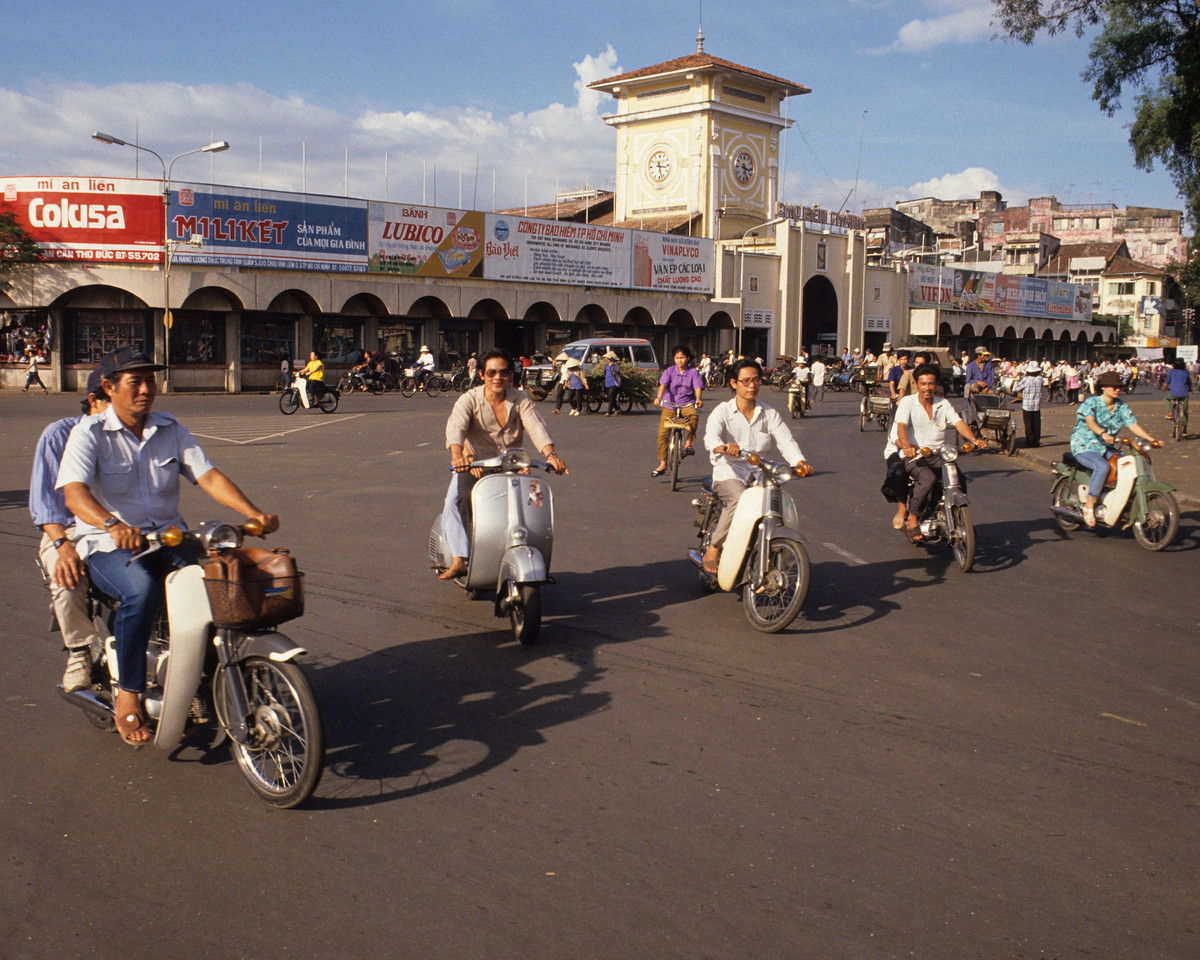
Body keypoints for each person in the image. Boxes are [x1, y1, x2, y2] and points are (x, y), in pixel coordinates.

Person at [57, 346, 278, 746]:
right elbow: (74, 493)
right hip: (108, 544)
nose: (145, 389)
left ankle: (203, 674)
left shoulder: (170, 428)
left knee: (221, 578)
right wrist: (112, 523)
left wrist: (254, 513)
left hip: (169, 536)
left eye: (149, 380)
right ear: (108, 387)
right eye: (134, 381)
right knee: (138, 590)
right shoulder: (88, 433)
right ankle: (129, 692)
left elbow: (207, 476)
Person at [438, 348, 568, 581]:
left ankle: (535, 556)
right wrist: (458, 455)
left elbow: (537, 427)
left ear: (510, 375)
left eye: (503, 372)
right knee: (454, 502)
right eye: (492, 372)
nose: (497, 377)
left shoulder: (521, 400)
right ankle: (460, 558)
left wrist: (550, 454)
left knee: (536, 500)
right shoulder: (469, 399)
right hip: (474, 463)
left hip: (512, 464)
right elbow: (456, 426)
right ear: (481, 374)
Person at [30, 367, 111, 691]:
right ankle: (78, 651)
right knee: (68, 574)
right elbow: (46, 504)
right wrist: (62, 546)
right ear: (94, 400)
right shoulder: (58, 435)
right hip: (67, 531)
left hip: (114, 530)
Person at [700, 359, 811, 573]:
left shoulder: (769, 413)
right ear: (734, 383)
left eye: (756, 380)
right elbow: (710, 437)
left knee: (775, 506)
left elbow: (786, 441)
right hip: (729, 469)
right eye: (746, 381)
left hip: (761, 473)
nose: (752, 385)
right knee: (740, 500)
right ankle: (713, 549)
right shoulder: (722, 411)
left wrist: (799, 462)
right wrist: (723, 447)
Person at [883, 365, 982, 539]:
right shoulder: (908, 402)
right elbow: (901, 428)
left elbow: (958, 423)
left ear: (936, 384)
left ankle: (960, 518)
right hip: (916, 454)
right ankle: (912, 516)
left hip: (938, 454)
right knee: (927, 478)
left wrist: (974, 440)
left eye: (930, 384)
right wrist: (907, 446)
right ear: (916, 383)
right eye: (923, 383)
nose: (927, 388)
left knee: (958, 480)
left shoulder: (942, 403)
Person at [1069, 370, 1159, 528]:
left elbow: (1133, 425)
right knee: (1102, 466)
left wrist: (1152, 440)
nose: (1117, 389)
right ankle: (1090, 504)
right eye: (1113, 386)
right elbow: (1089, 421)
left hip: (1106, 446)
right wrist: (1102, 433)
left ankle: (1118, 500)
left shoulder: (1121, 406)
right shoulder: (1092, 403)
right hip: (1084, 445)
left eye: (1119, 387)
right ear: (1103, 387)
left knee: (1127, 463)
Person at [652, 345, 704, 476]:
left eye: (682, 357)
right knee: (662, 435)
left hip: (686, 403)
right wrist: (658, 398)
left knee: (694, 416)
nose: (680, 360)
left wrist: (698, 399)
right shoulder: (669, 371)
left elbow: (697, 387)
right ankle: (663, 463)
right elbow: (663, 385)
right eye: (677, 358)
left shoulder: (693, 372)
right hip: (670, 404)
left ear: (687, 358)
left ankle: (688, 443)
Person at [1011, 360, 1044, 448]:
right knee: (1036, 423)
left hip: (1027, 404)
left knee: (1028, 423)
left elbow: (1017, 388)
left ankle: (1029, 441)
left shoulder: (1026, 380)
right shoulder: (1040, 379)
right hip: (1036, 404)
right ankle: (1036, 441)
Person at [1163, 358, 1191, 433]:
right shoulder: (1186, 372)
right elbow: (1189, 383)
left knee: (1166, 399)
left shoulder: (1172, 372)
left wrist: (1164, 388)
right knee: (1185, 411)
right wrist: (1190, 389)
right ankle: (1184, 427)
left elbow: (1166, 383)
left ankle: (1169, 412)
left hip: (1173, 393)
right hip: (1184, 394)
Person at [603, 350, 623, 416]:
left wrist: (614, 366)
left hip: (614, 383)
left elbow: (618, 371)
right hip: (608, 383)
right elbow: (605, 373)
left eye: (609, 358)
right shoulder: (606, 366)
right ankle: (617, 409)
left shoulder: (615, 365)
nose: (608, 359)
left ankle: (608, 412)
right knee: (610, 397)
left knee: (611, 396)